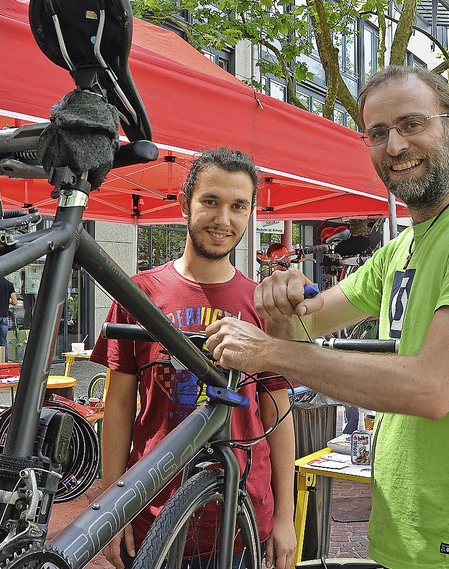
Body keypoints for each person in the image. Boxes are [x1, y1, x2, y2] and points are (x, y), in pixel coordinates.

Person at [205, 66, 449, 568]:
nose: (394, 147)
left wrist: (270, 351)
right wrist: (279, 300)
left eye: (412, 124)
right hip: (407, 534)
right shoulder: (401, 249)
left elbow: (430, 387)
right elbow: (304, 324)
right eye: (378, 132)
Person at [90, 147, 297, 569]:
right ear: (185, 203)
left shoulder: (261, 304)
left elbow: (279, 412)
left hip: (243, 521)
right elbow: (118, 406)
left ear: (251, 212)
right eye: (210, 201)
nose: (224, 219)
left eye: (238, 206)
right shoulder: (140, 295)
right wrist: (111, 505)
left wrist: (286, 517)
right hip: (150, 516)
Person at [0, 277, 17, 361]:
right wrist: (7, 301)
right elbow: (15, 302)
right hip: (4, 316)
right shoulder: (9, 284)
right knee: (3, 341)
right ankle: (4, 361)